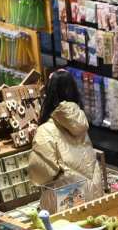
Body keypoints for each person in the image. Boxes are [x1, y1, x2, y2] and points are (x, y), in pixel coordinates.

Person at [28, 69, 104, 201]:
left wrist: (35, 143)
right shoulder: (79, 120)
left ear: (48, 93)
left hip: (67, 198)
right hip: (94, 193)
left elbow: (40, 175)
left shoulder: (46, 130)